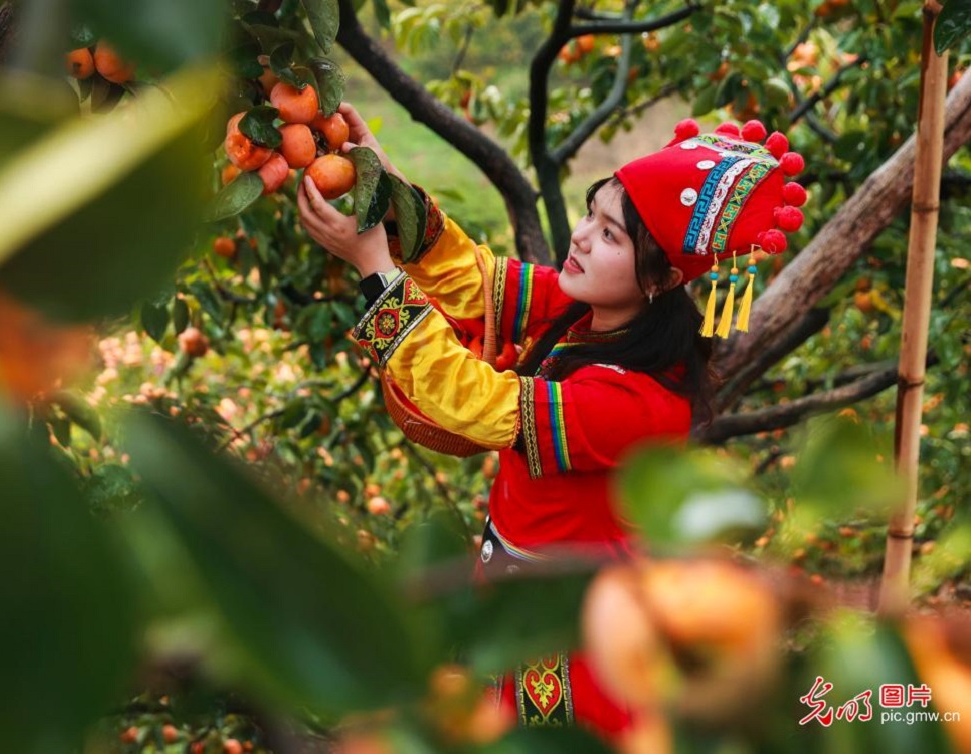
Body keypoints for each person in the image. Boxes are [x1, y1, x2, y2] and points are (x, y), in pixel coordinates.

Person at [297, 103, 806, 744]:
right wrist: (378, 178)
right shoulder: (587, 308)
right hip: (512, 605)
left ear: (663, 279)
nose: (583, 236)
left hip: (569, 648)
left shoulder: (640, 403)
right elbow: (472, 279)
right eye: (591, 212)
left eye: (612, 235)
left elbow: (476, 403)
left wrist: (376, 269)